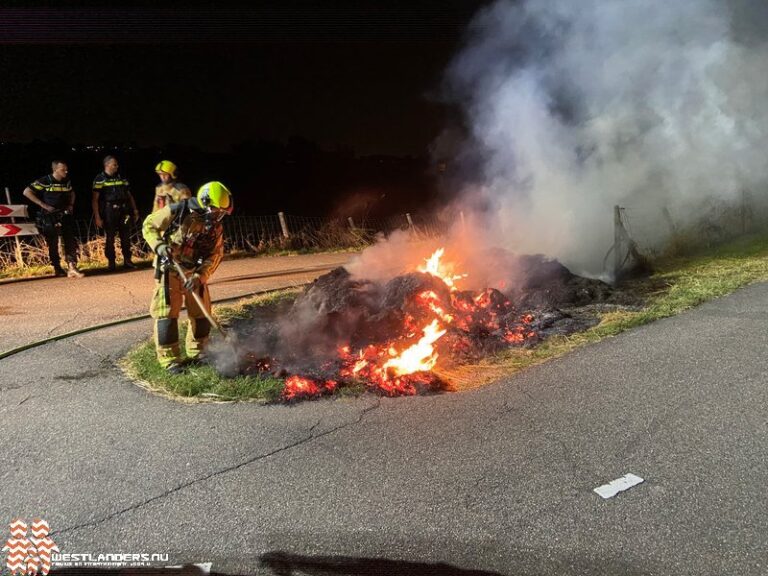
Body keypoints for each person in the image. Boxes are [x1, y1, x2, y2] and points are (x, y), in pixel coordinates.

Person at [142, 181, 233, 373]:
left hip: (194, 272)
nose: (219, 216)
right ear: (205, 202)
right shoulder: (177, 211)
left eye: (222, 212)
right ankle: (170, 360)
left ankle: (199, 351)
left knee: (201, 314)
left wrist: (200, 275)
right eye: (217, 210)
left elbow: (215, 255)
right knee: (167, 313)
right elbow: (148, 225)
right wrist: (159, 246)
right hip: (170, 269)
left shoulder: (215, 226)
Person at [22, 160, 84, 278]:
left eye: (66, 169)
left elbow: (72, 193)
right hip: (50, 216)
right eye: (63, 169)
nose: (66, 171)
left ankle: (72, 267)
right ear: (55, 170)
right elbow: (26, 192)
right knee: (53, 243)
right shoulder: (45, 181)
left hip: (65, 215)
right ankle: (57, 268)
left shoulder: (66, 182)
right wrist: (43, 205)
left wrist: (71, 204)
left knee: (70, 240)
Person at [92, 155, 139, 271]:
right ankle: (111, 262)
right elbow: (94, 199)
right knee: (110, 237)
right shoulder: (100, 178)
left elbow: (129, 195)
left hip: (124, 210)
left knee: (126, 236)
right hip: (109, 211)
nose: (117, 166)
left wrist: (135, 210)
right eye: (114, 164)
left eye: (117, 164)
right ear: (107, 165)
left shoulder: (121, 177)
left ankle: (127, 261)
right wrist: (97, 217)